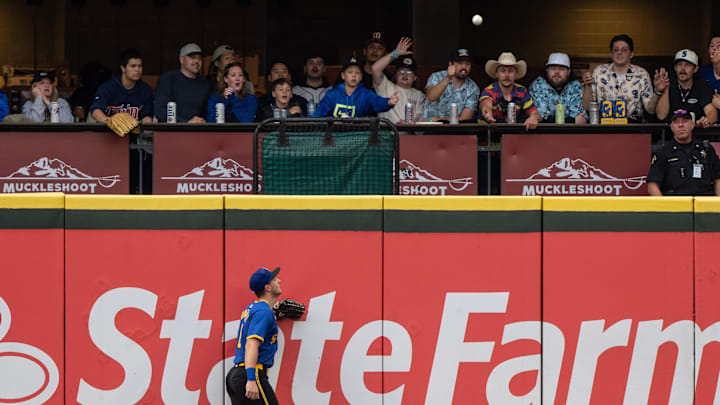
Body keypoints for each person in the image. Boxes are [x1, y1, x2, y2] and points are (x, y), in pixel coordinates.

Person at [226, 266, 282, 405]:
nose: (279, 280)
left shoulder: (254, 308)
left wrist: (276, 314)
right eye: (274, 280)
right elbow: (251, 344)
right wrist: (251, 379)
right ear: (268, 287)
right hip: (251, 373)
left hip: (236, 374)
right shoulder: (263, 312)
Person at [582, 34, 658, 123]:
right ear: (611, 54)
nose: (619, 53)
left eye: (624, 50)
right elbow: (587, 106)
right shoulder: (599, 72)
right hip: (605, 126)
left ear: (631, 54)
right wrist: (587, 86)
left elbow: (650, 109)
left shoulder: (642, 74)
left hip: (633, 127)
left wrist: (658, 92)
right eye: (615, 50)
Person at [648, 109, 720, 196]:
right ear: (671, 126)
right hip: (675, 204)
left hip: (704, 203)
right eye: (676, 122)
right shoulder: (662, 153)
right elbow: (652, 185)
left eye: (685, 121)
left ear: (692, 125)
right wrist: (664, 207)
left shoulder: (706, 149)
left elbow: (718, 178)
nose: (680, 125)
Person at [313, 58, 398, 118]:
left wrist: (389, 102)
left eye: (357, 73)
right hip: (335, 137)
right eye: (350, 72)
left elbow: (378, 102)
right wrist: (331, 124)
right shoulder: (332, 94)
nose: (354, 75)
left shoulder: (366, 94)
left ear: (361, 77)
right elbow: (319, 115)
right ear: (343, 76)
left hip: (359, 137)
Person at [655, 49, 717, 128]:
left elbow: (712, 112)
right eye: (679, 65)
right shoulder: (668, 84)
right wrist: (666, 88)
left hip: (695, 135)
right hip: (670, 136)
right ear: (675, 67)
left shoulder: (701, 85)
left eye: (687, 65)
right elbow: (661, 116)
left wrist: (706, 120)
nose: (683, 69)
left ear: (695, 69)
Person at [479, 52, 541, 130]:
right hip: (488, 135)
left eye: (511, 71)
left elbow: (535, 113)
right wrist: (487, 114)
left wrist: (534, 118)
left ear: (516, 74)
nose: (507, 75)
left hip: (513, 137)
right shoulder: (488, 90)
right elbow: (486, 105)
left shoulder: (522, 91)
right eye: (502, 71)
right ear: (497, 74)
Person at [90, 49, 154, 124]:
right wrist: (110, 122)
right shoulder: (108, 87)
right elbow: (96, 111)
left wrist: (144, 126)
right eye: (133, 66)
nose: (137, 69)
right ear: (123, 68)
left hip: (134, 132)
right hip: (107, 132)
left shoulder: (146, 90)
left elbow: (147, 116)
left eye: (140, 66)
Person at [371, 37, 425, 123]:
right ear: (395, 75)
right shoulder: (386, 86)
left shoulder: (419, 95)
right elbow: (375, 69)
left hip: (410, 135)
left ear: (415, 77)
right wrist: (396, 53)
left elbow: (419, 117)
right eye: (401, 71)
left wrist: (409, 124)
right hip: (387, 134)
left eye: (409, 73)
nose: (405, 75)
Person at [154, 43, 209, 123]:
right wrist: (186, 123)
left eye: (200, 58)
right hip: (170, 131)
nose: (197, 61)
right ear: (181, 60)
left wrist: (203, 121)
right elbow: (160, 111)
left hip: (197, 130)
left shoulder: (204, 83)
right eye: (192, 57)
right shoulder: (168, 79)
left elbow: (205, 111)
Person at [529, 52, 587, 123]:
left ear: (568, 72)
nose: (557, 72)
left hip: (572, 132)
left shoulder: (575, 86)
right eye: (553, 68)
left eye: (562, 69)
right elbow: (542, 117)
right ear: (547, 70)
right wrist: (572, 121)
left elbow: (581, 116)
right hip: (544, 132)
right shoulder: (538, 85)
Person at [424, 48, 480, 122]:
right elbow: (431, 97)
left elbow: (464, 119)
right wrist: (448, 77)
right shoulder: (436, 77)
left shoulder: (473, 88)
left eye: (467, 64)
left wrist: (437, 120)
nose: (464, 67)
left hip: (455, 130)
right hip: (428, 129)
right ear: (450, 64)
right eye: (460, 63)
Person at [699, 33, 720, 117]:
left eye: (719, 46)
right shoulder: (702, 72)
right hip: (706, 126)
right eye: (711, 46)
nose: (714, 49)